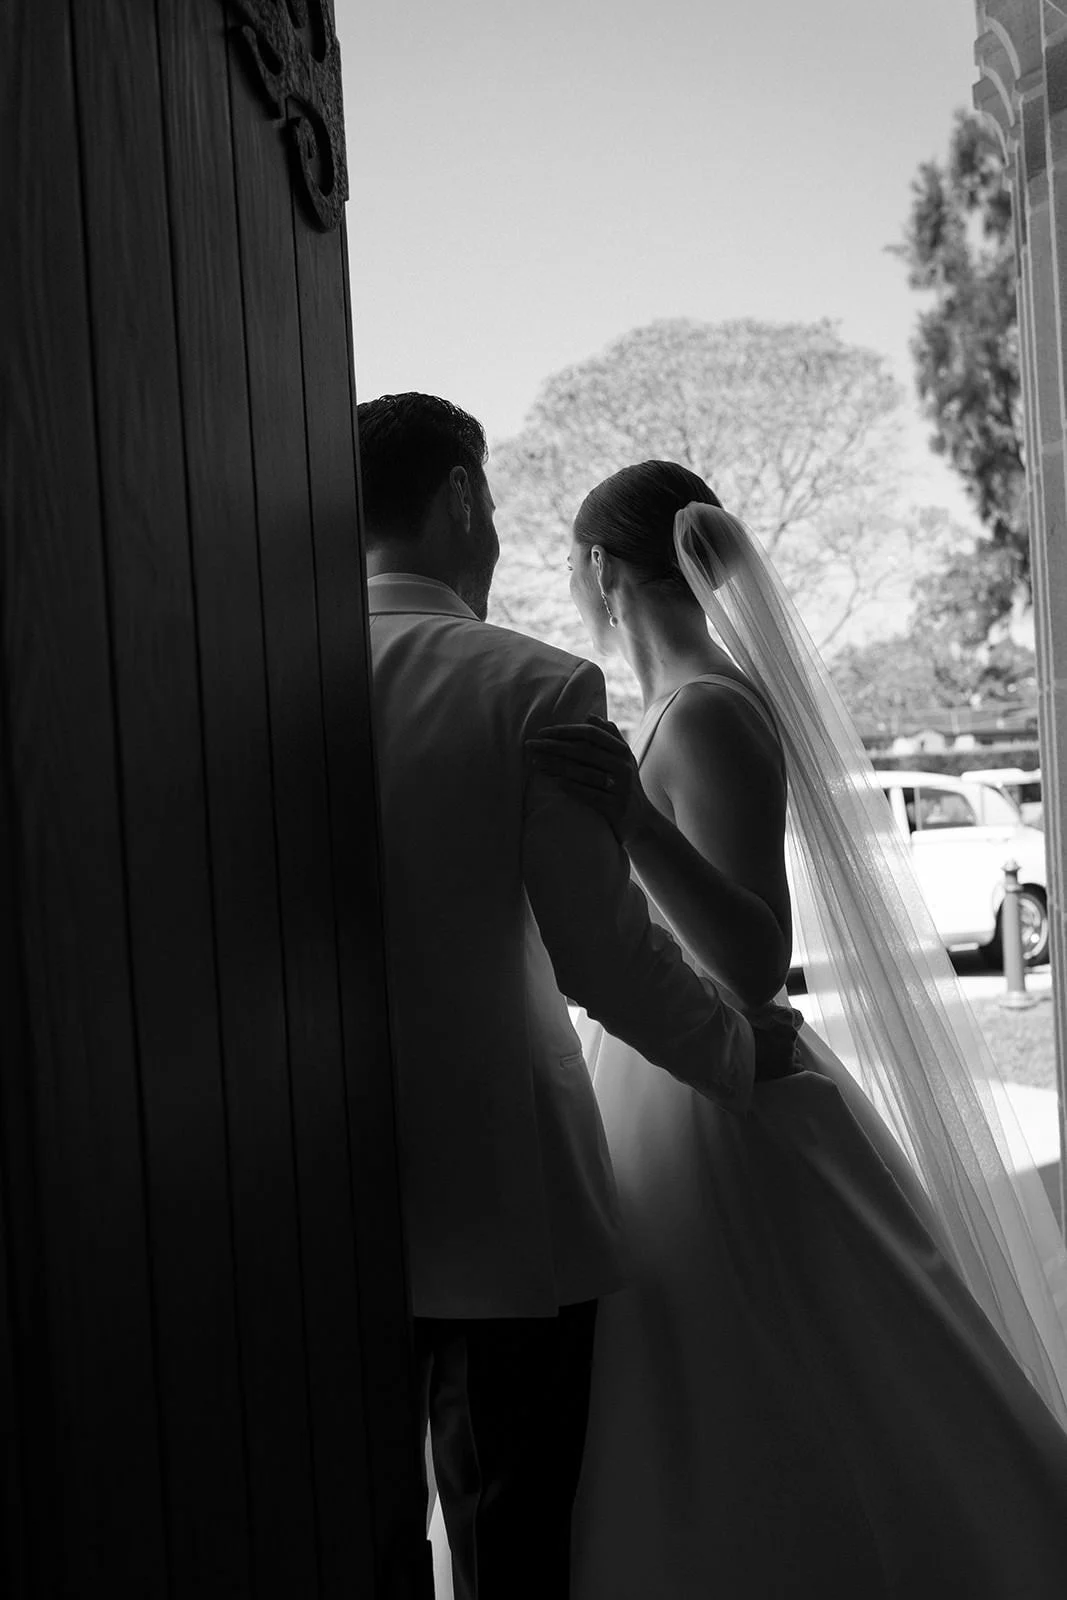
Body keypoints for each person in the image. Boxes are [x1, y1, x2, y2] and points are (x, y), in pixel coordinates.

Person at [527, 461, 1067, 1598]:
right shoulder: (683, 705)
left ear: (598, 573)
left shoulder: (708, 708)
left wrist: (626, 818)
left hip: (716, 1087)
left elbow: (752, 955)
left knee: (766, 1378)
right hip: (669, 1070)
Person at [357, 401, 796, 1600]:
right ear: (458, 499)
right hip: (506, 1194)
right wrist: (736, 1049)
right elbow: (601, 956)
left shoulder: (252, 677)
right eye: (491, 503)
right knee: (510, 1526)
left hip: (299, 1201)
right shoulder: (534, 684)